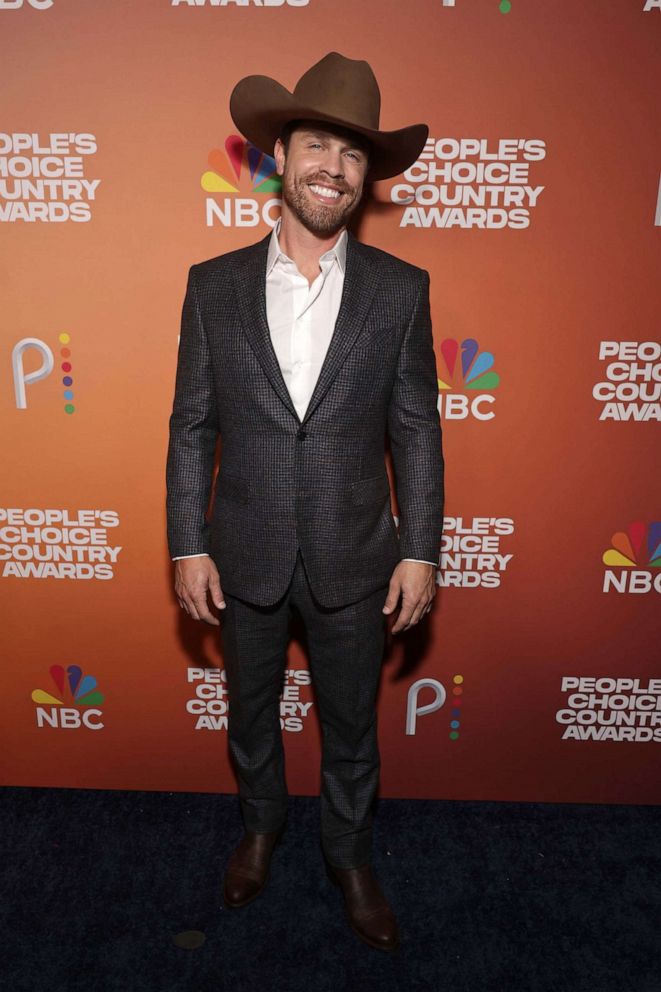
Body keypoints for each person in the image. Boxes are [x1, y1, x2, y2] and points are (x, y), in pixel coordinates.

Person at [166, 51, 444, 953]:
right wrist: (186, 542)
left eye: (353, 154)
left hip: (358, 554)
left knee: (353, 727)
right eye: (317, 144)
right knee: (250, 714)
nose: (333, 166)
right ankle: (259, 831)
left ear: (368, 175)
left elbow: (416, 429)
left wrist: (420, 549)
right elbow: (191, 426)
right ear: (280, 155)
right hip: (239, 548)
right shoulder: (212, 285)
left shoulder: (402, 291)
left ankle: (349, 857)